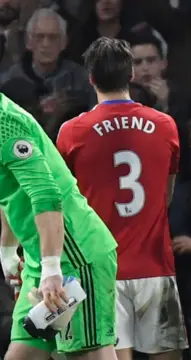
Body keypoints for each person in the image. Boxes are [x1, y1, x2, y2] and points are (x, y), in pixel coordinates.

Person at [56, 37, 188, 360]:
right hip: (155, 266)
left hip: (101, 272)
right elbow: (165, 196)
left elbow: (63, 205)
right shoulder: (165, 126)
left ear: (91, 78)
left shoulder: (72, 132)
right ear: (131, 74)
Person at [0, 60, 118, 360]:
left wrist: (52, 268)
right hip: (42, 259)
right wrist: (8, 249)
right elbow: (10, 191)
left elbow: (46, 194)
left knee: (87, 355)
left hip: (75, 256)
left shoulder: (4, 124)